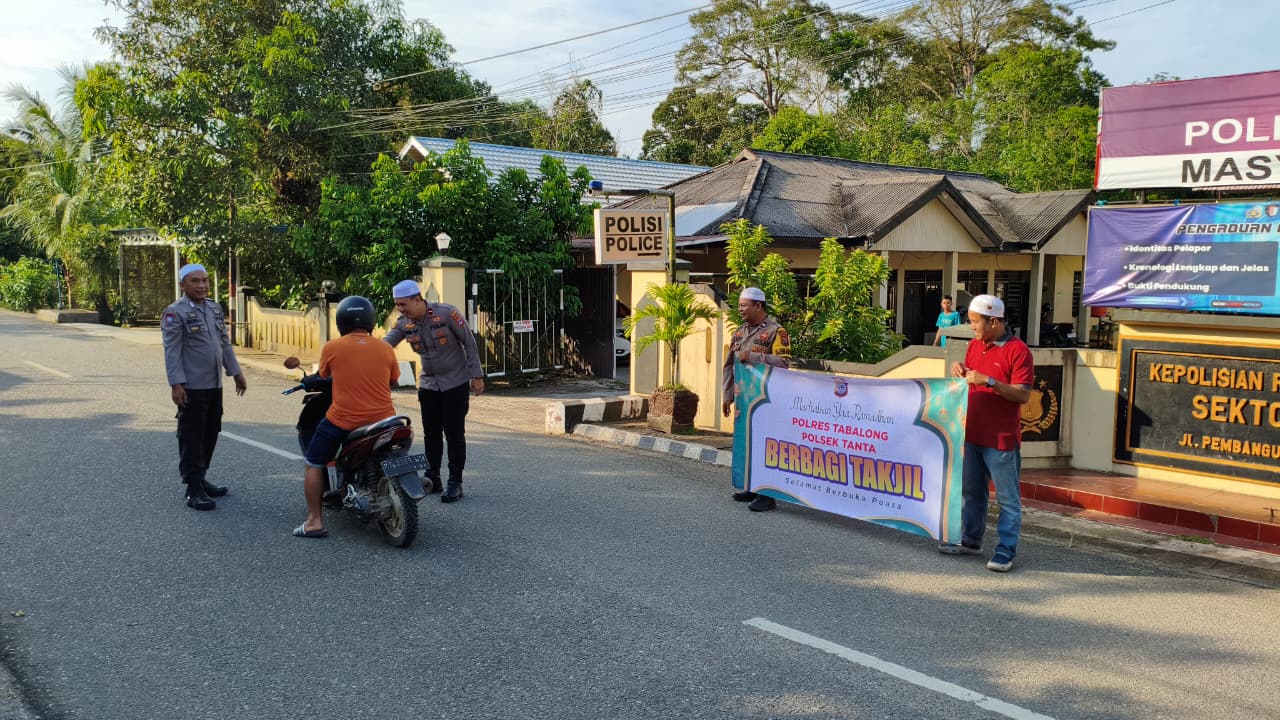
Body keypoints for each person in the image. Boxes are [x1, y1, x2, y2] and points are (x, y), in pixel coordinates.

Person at [939, 294, 1034, 572]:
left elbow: (1023, 395)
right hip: (972, 434)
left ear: (993, 321)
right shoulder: (974, 346)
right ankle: (971, 540)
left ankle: (1005, 551)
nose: (971, 327)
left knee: (1007, 499)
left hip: (1001, 440)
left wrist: (990, 381)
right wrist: (961, 370)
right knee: (972, 493)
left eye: (974, 322)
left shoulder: (1019, 351)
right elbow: (970, 377)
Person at [294, 295, 399, 538]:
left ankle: (314, 522)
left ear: (341, 321)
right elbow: (393, 379)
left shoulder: (332, 347)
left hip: (343, 420)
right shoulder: (385, 348)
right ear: (371, 320)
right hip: (384, 419)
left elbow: (323, 374)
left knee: (313, 462)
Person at [384, 279, 484, 503]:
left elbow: (469, 343)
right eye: (397, 305)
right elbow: (383, 346)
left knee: (454, 433)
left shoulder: (447, 314)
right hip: (428, 386)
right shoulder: (403, 324)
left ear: (417, 299)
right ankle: (433, 477)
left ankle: (455, 482)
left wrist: (476, 376)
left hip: (455, 384)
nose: (400, 309)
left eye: (403, 304)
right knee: (431, 434)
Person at [162, 263, 247, 511]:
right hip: (192, 387)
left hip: (214, 384)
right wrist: (176, 384)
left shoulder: (213, 308)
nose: (202, 286)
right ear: (182, 285)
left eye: (205, 281)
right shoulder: (174, 313)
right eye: (195, 281)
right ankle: (193, 488)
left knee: (210, 432)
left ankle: (201, 477)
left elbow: (224, 343)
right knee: (191, 436)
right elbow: (172, 352)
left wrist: (236, 372)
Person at [721, 287, 792, 512]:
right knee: (747, 444)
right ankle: (751, 487)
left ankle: (767, 495)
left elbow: (785, 362)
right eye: (740, 305)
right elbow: (729, 366)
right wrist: (727, 395)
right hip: (744, 399)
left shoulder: (776, 332)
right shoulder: (740, 332)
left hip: (766, 400)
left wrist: (753, 356)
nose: (740, 309)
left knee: (765, 446)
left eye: (744, 305)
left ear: (758, 306)